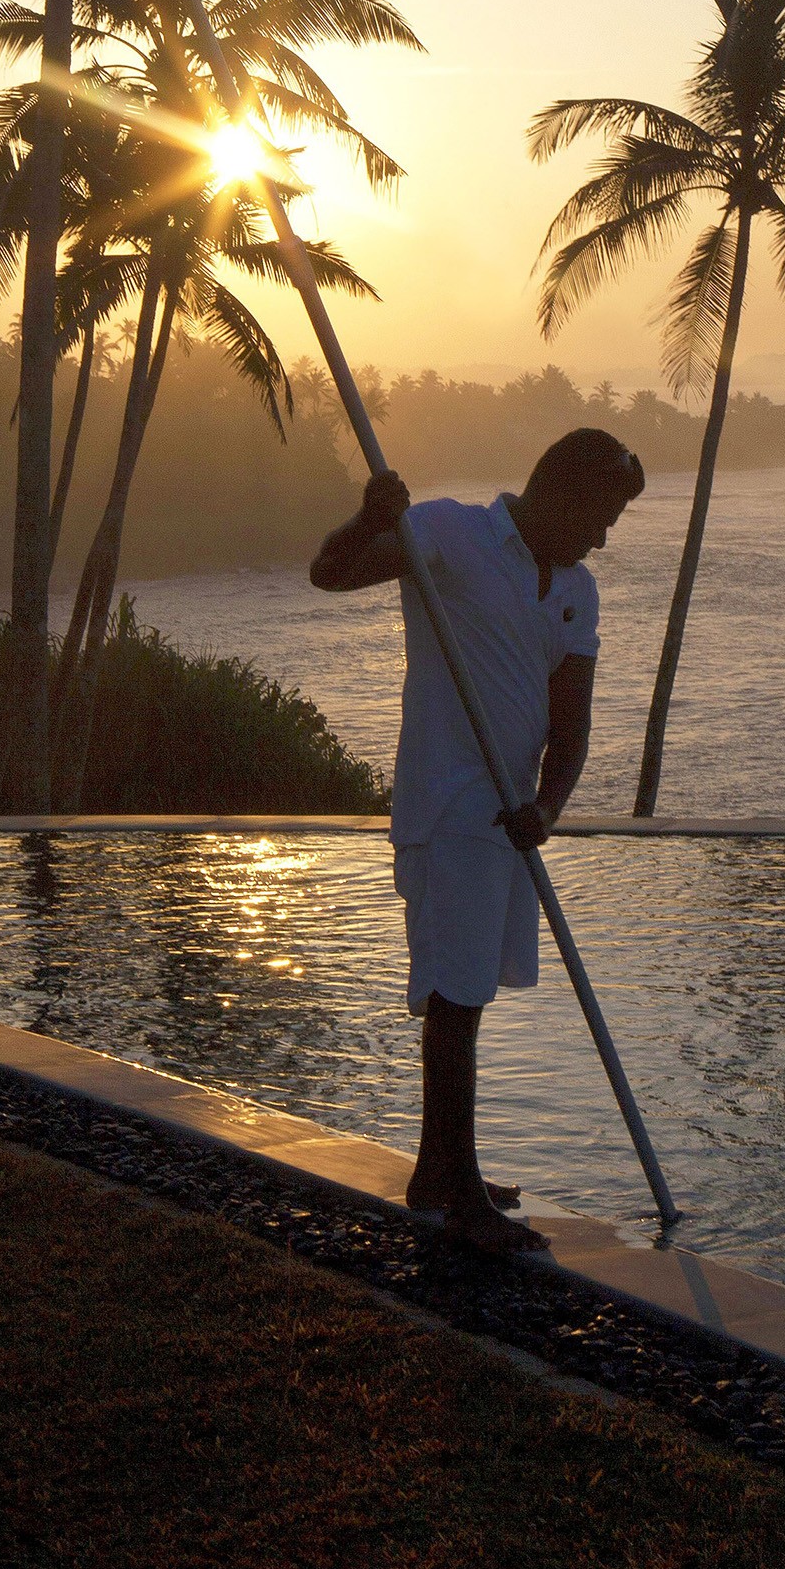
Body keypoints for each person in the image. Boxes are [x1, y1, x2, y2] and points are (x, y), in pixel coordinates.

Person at [308, 427, 646, 1251]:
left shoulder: (577, 590)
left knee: (470, 997)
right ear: (559, 492)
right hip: (448, 804)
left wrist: (549, 809)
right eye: (601, 514)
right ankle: (460, 1201)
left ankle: (440, 1170)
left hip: (505, 821)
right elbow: (331, 573)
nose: (604, 535)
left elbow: (572, 727)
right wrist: (366, 520)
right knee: (455, 1002)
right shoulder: (450, 534)